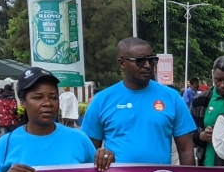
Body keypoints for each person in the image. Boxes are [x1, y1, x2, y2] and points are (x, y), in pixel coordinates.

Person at [82, 37, 197, 165]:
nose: (148, 65)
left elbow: (185, 149)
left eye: (151, 60)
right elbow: (89, 151)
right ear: (122, 63)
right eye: (140, 61)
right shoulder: (102, 100)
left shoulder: (172, 97)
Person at [191, 56, 224, 166]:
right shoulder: (200, 101)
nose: (222, 85)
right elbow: (187, 138)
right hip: (207, 169)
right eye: (218, 80)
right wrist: (202, 136)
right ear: (213, 76)